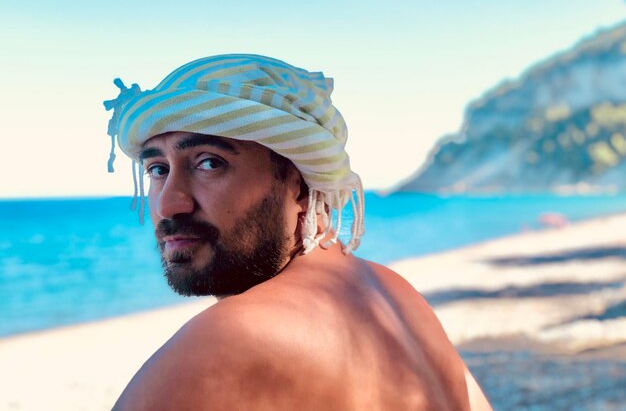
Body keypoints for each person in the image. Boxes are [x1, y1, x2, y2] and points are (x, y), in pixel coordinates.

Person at [105, 54, 492, 410]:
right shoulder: (396, 294)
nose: (168, 204)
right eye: (157, 169)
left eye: (209, 163)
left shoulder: (229, 340)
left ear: (300, 187)